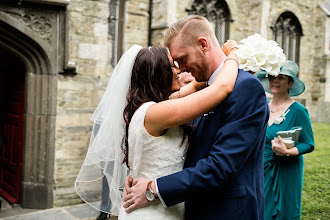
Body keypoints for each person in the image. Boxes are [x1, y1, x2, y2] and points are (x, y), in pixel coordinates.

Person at [123, 15, 269, 220]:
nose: (181, 70)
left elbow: (220, 165)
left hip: (227, 212)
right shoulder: (195, 96)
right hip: (186, 208)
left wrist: (152, 187)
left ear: (203, 44)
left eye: (181, 60)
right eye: (174, 64)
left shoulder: (245, 87)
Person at [75, 40, 240, 219]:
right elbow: (221, 88)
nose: (179, 70)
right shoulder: (156, 113)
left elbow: (196, 85)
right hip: (153, 212)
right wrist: (233, 56)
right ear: (158, 73)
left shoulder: (151, 108)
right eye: (172, 66)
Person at [257, 60, 314, 220]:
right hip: (262, 166)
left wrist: (288, 151)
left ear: (290, 83)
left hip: (287, 169)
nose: (275, 80)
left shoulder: (298, 111)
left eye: (281, 78)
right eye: (272, 76)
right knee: (262, 210)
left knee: (285, 211)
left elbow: (309, 144)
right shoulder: (263, 108)